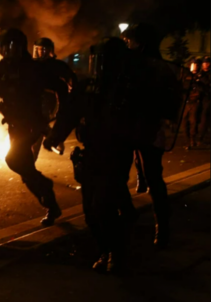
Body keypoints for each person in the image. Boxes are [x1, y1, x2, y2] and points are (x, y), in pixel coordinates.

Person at [44, 37, 178, 272]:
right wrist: (55, 136)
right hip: (92, 152)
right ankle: (106, 249)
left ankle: (117, 253)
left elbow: (147, 116)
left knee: (102, 206)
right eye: (99, 60)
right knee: (90, 212)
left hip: (116, 152)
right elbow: (70, 113)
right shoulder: (89, 86)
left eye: (107, 60)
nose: (102, 65)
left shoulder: (131, 89)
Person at [121, 23, 181, 249]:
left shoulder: (154, 68)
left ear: (141, 42)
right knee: (128, 176)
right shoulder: (137, 65)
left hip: (147, 128)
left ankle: (162, 226)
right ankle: (139, 220)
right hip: (130, 127)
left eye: (130, 41)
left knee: (153, 177)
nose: (127, 45)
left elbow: (169, 102)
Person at [0, 29, 63, 226]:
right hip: (15, 124)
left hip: (31, 124)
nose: (8, 50)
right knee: (26, 170)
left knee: (13, 159)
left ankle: (46, 188)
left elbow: (59, 87)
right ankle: (52, 205)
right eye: (5, 46)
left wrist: (56, 119)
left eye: (12, 46)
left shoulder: (33, 69)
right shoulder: (2, 68)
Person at [31, 37, 76, 160]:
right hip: (31, 99)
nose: (41, 52)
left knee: (40, 124)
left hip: (49, 100)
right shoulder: (30, 64)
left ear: (50, 51)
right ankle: (52, 137)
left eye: (44, 50)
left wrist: (71, 88)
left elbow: (71, 78)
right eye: (39, 50)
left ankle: (33, 159)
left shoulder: (57, 65)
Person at [196, 56, 210, 145]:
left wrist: (201, 78)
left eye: (207, 63)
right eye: (204, 63)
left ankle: (200, 137)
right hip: (198, 98)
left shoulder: (207, 74)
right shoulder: (199, 73)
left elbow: (207, 83)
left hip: (207, 98)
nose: (205, 64)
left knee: (204, 117)